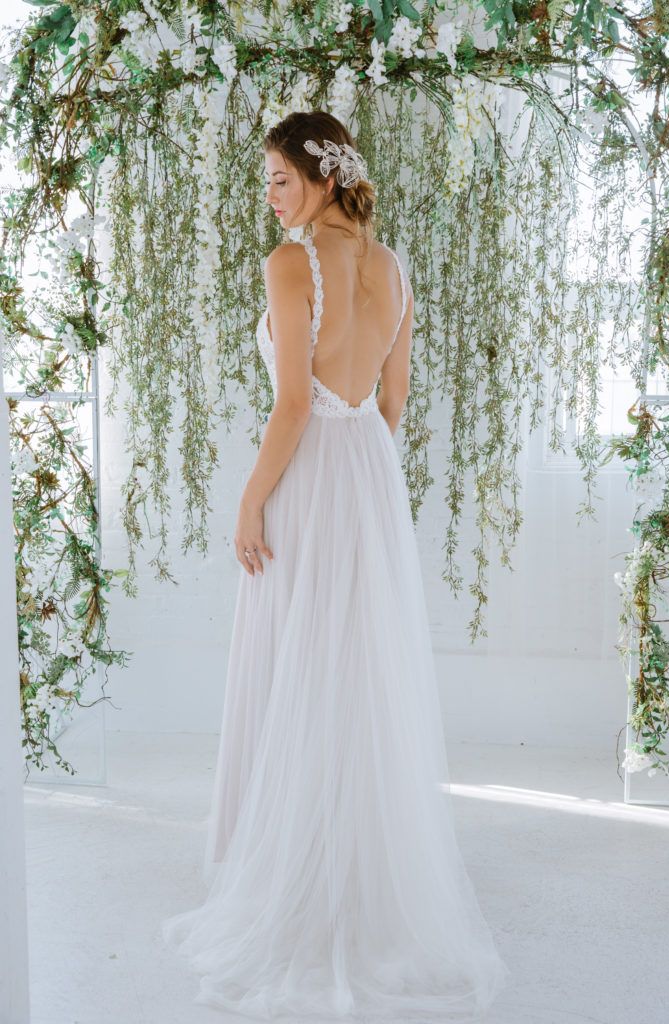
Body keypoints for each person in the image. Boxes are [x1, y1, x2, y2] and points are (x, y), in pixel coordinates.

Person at [161, 109, 510, 1021]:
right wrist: (362, 489)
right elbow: (391, 403)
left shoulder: (290, 264)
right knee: (357, 670)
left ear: (319, 176)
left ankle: (297, 878)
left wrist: (251, 501)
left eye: (278, 179)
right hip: (367, 480)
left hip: (311, 476)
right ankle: (358, 874)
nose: (268, 197)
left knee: (295, 666)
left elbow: (289, 409)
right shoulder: (392, 267)